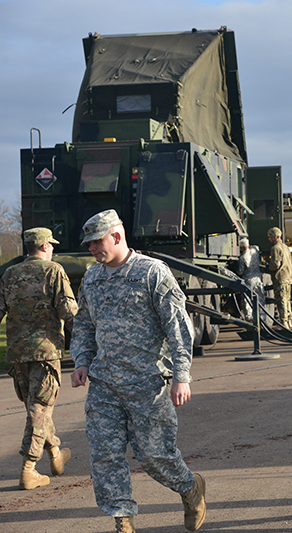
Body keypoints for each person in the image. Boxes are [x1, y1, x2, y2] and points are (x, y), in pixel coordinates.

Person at [69, 210, 206, 533]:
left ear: (117, 236)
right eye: (88, 244)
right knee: (105, 454)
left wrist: (181, 375)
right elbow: (85, 324)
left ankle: (190, 488)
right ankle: (122, 521)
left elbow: (178, 327)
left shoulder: (151, 273)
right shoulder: (92, 277)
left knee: (154, 455)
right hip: (104, 383)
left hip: (148, 382)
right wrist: (82, 361)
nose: (92, 249)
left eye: (96, 241)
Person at [0, 228, 76, 490]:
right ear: (46, 246)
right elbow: (68, 311)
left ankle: (55, 454)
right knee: (39, 409)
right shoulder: (53, 270)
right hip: (45, 353)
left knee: (37, 408)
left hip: (17, 356)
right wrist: (89, 342)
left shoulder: (10, 275)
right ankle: (28, 469)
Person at [267, 227, 292, 329]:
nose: (269, 239)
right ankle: (289, 321)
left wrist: (269, 266)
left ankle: (284, 323)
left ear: (274, 237)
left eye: (270, 237)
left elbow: (275, 265)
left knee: (281, 300)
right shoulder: (285, 247)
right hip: (288, 276)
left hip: (280, 277)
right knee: (287, 300)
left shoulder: (275, 248)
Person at [237, 237, 263, 322]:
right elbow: (256, 247)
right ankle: (262, 318)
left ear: (240, 248)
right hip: (258, 280)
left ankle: (249, 320)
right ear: (248, 245)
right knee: (260, 299)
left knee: (247, 301)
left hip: (248, 282)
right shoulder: (255, 251)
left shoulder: (242, 257)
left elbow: (240, 272)